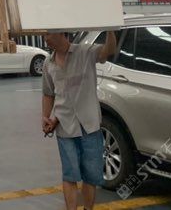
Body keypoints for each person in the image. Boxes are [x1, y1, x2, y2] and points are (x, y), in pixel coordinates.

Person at [41, 30, 117, 210]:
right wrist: (45, 117)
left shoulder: (85, 53)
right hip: (64, 127)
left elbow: (108, 50)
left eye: (48, 34)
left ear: (62, 33)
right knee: (70, 175)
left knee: (90, 176)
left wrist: (110, 28)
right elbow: (48, 93)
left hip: (89, 126)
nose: (45, 39)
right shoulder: (48, 63)